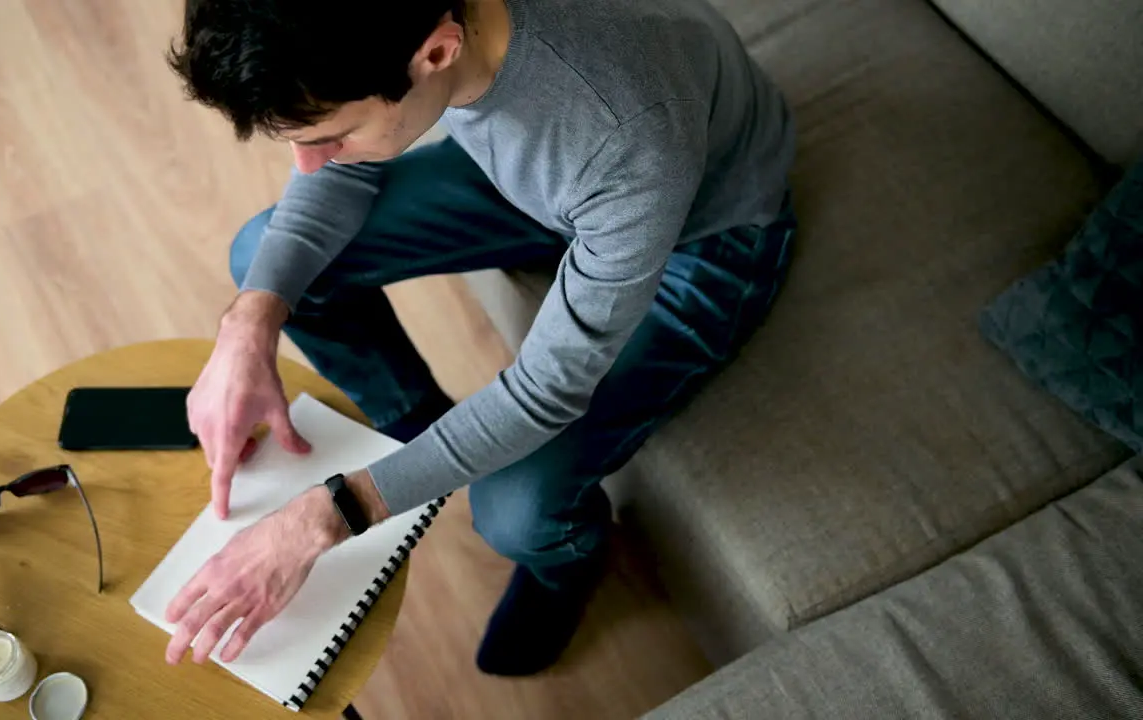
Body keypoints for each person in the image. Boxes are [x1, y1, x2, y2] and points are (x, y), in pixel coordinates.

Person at [162, 0, 797, 676]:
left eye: (333, 135)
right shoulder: (409, 35)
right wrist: (246, 325)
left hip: (701, 238)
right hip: (556, 184)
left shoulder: (626, 137)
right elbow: (338, 173)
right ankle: (416, 426)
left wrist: (338, 510)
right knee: (265, 258)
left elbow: (544, 394)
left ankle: (570, 563)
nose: (310, 165)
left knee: (515, 506)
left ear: (435, 53)